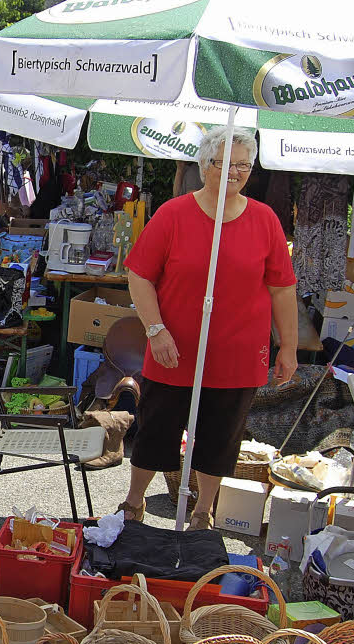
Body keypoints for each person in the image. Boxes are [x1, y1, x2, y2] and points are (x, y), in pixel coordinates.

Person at [115, 127, 298, 531]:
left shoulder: (265, 220)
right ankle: (134, 500)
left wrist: (289, 347)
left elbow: (282, 288)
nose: (234, 172)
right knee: (157, 428)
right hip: (173, 350)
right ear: (204, 166)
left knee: (219, 439)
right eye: (223, 163)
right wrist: (156, 330)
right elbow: (139, 274)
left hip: (238, 356)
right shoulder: (174, 214)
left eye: (243, 166)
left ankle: (203, 512)